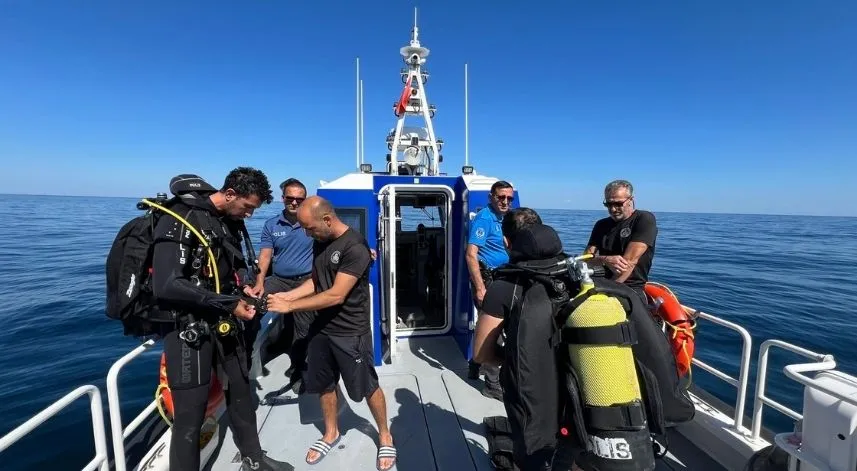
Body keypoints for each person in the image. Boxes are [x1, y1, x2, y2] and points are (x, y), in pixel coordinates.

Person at [150, 168, 292, 471]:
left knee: (240, 394)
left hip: (225, 324)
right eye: (248, 207)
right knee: (190, 417)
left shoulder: (225, 223)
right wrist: (231, 303)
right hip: (189, 331)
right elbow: (167, 284)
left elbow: (224, 272)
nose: (250, 215)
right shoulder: (179, 219)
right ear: (230, 195)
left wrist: (244, 287)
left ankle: (254, 461)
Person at [266, 196, 396, 471]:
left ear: (327, 220)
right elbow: (316, 281)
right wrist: (286, 294)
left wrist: (290, 305)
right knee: (324, 383)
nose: (306, 233)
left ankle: (385, 434)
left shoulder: (355, 247)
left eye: (309, 228)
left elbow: (336, 295)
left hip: (350, 331)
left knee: (367, 386)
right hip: (320, 329)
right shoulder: (320, 240)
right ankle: (331, 432)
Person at [472, 209, 579, 471]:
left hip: (529, 382)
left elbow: (481, 354)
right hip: (580, 376)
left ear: (508, 242)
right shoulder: (577, 277)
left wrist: (511, 362)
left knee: (529, 445)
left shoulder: (503, 287)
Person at [247, 177, 315, 391]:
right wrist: (259, 283)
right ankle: (247, 358)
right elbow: (265, 256)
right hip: (279, 280)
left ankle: (299, 370)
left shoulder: (312, 223)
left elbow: (337, 237)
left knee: (303, 327)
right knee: (250, 306)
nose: (294, 202)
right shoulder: (271, 224)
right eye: (290, 198)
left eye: (299, 199)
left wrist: (363, 247)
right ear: (283, 198)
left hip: (305, 280)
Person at [466, 179, 515, 400]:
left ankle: (475, 366)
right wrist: (479, 288)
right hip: (488, 281)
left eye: (509, 198)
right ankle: (493, 385)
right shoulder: (484, 219)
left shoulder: (503, 219)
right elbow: (471, 254)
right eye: (501, 197)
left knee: (487, 327)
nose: (505, 201)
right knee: (494, 332)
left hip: (502, 279)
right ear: (491, 197)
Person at [584, 179, 658, 302]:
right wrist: (604, 259)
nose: (613, 209)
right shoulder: (601, 225)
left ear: (631, 200)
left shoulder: (644, 219)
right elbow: (586, 258)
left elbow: (629, 263)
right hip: (598, 281)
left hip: (629, 287)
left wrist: (605, 293)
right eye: (608, 204)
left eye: (618, 204)